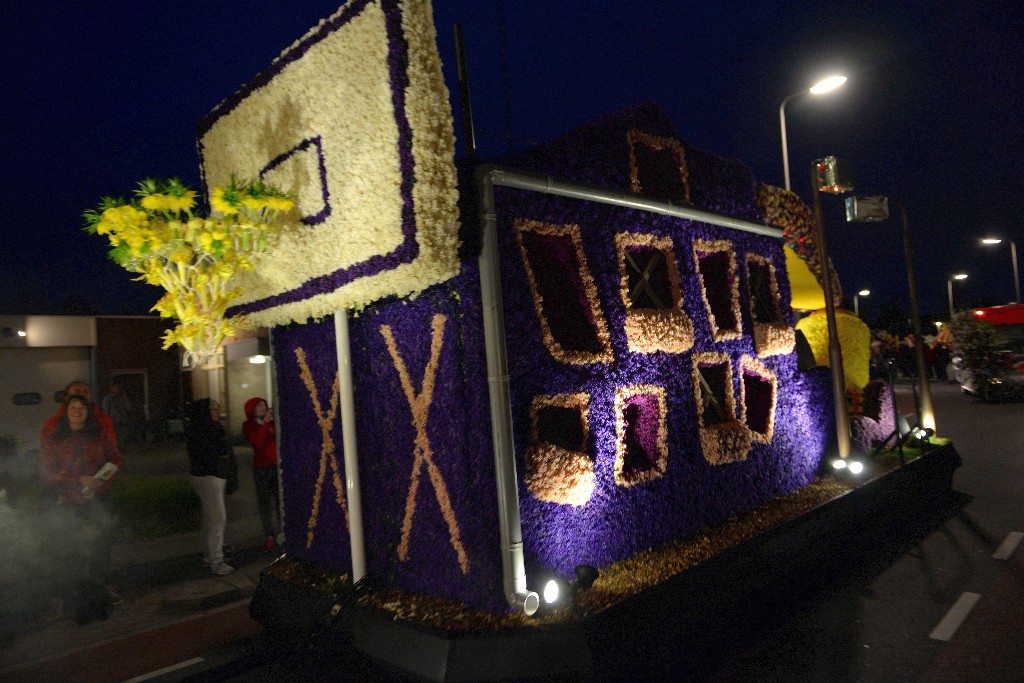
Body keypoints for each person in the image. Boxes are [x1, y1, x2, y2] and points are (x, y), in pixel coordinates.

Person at [39, 394, 125, 620]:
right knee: (65, 552)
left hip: (99, 500)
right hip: (69, 501)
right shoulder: (54, 438)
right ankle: (59, 598)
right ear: (65, 411)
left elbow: (116, 458)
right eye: (73, 407)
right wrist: (78, 481)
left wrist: (103, 476)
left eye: (82, 408)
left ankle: (101, 589)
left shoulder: (99, 434)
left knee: (100, 549)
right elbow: (47, 475)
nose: (77, 411)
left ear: (88, 412)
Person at [186, 398, 234, 575]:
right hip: (208, 476)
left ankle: (209, 555)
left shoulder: (212, 428)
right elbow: (216, 452)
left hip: (215, 475)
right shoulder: (202, 430)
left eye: (217, 408)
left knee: (210, 517)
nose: (216, 412)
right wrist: (221, 455)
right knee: (218, 518)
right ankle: (216, 559)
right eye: (213, 409)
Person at [242, 397, 281, 552]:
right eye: (260, 406)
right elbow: (258, 442)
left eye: (265, 405)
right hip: (261, 469)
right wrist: (265, 424)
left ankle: (283, 532)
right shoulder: (248, 425)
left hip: (275, 467)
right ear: (252, 409)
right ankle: (269, 535)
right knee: (264, 503)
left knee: (279, 501)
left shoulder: (271, 423)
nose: (264, 408)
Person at [42, 380, 116, 442]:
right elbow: (47, 450)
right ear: (67, 398)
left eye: (86, 392)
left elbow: (111, 448)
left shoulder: (103, 419)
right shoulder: (53, 423)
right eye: (77, 392)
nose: (82, 395)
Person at [102, 381, 132, 448]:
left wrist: (124, 397)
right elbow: (106, 410)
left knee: (122, 436)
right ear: (112, 388)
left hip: (122, 420)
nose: (118, 389)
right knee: (113, 437)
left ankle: (120, 449)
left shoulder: (122, 398)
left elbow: (128, 408)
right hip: (113, 420)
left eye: (120, 387)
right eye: (117, 387)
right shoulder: (108, 398)